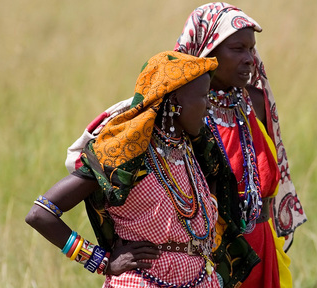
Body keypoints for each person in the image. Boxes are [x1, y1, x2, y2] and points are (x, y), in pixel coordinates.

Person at [25, 51, 222, 287]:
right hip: (144, 280)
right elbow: (40, 214)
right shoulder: (127, 153)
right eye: (203, 97)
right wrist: (102, 262)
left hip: (199, 279)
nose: (209, 106)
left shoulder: (192, 147)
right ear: (176, 101)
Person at [174, 3, 308, 288]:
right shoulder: (181, 111)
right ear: (207, 50)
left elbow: (266, 189)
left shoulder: (254, 103)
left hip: (261, 247)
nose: (250, 58)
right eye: (238, 49)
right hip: (209, 257)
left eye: (251, 49)